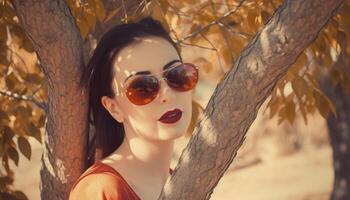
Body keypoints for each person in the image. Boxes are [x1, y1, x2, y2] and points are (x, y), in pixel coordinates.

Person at [69, 16, 199, 200]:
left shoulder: (186, 183)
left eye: (177, 75)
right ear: (114, 108)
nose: (168, 95)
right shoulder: (99, 190)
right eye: (142, 88)